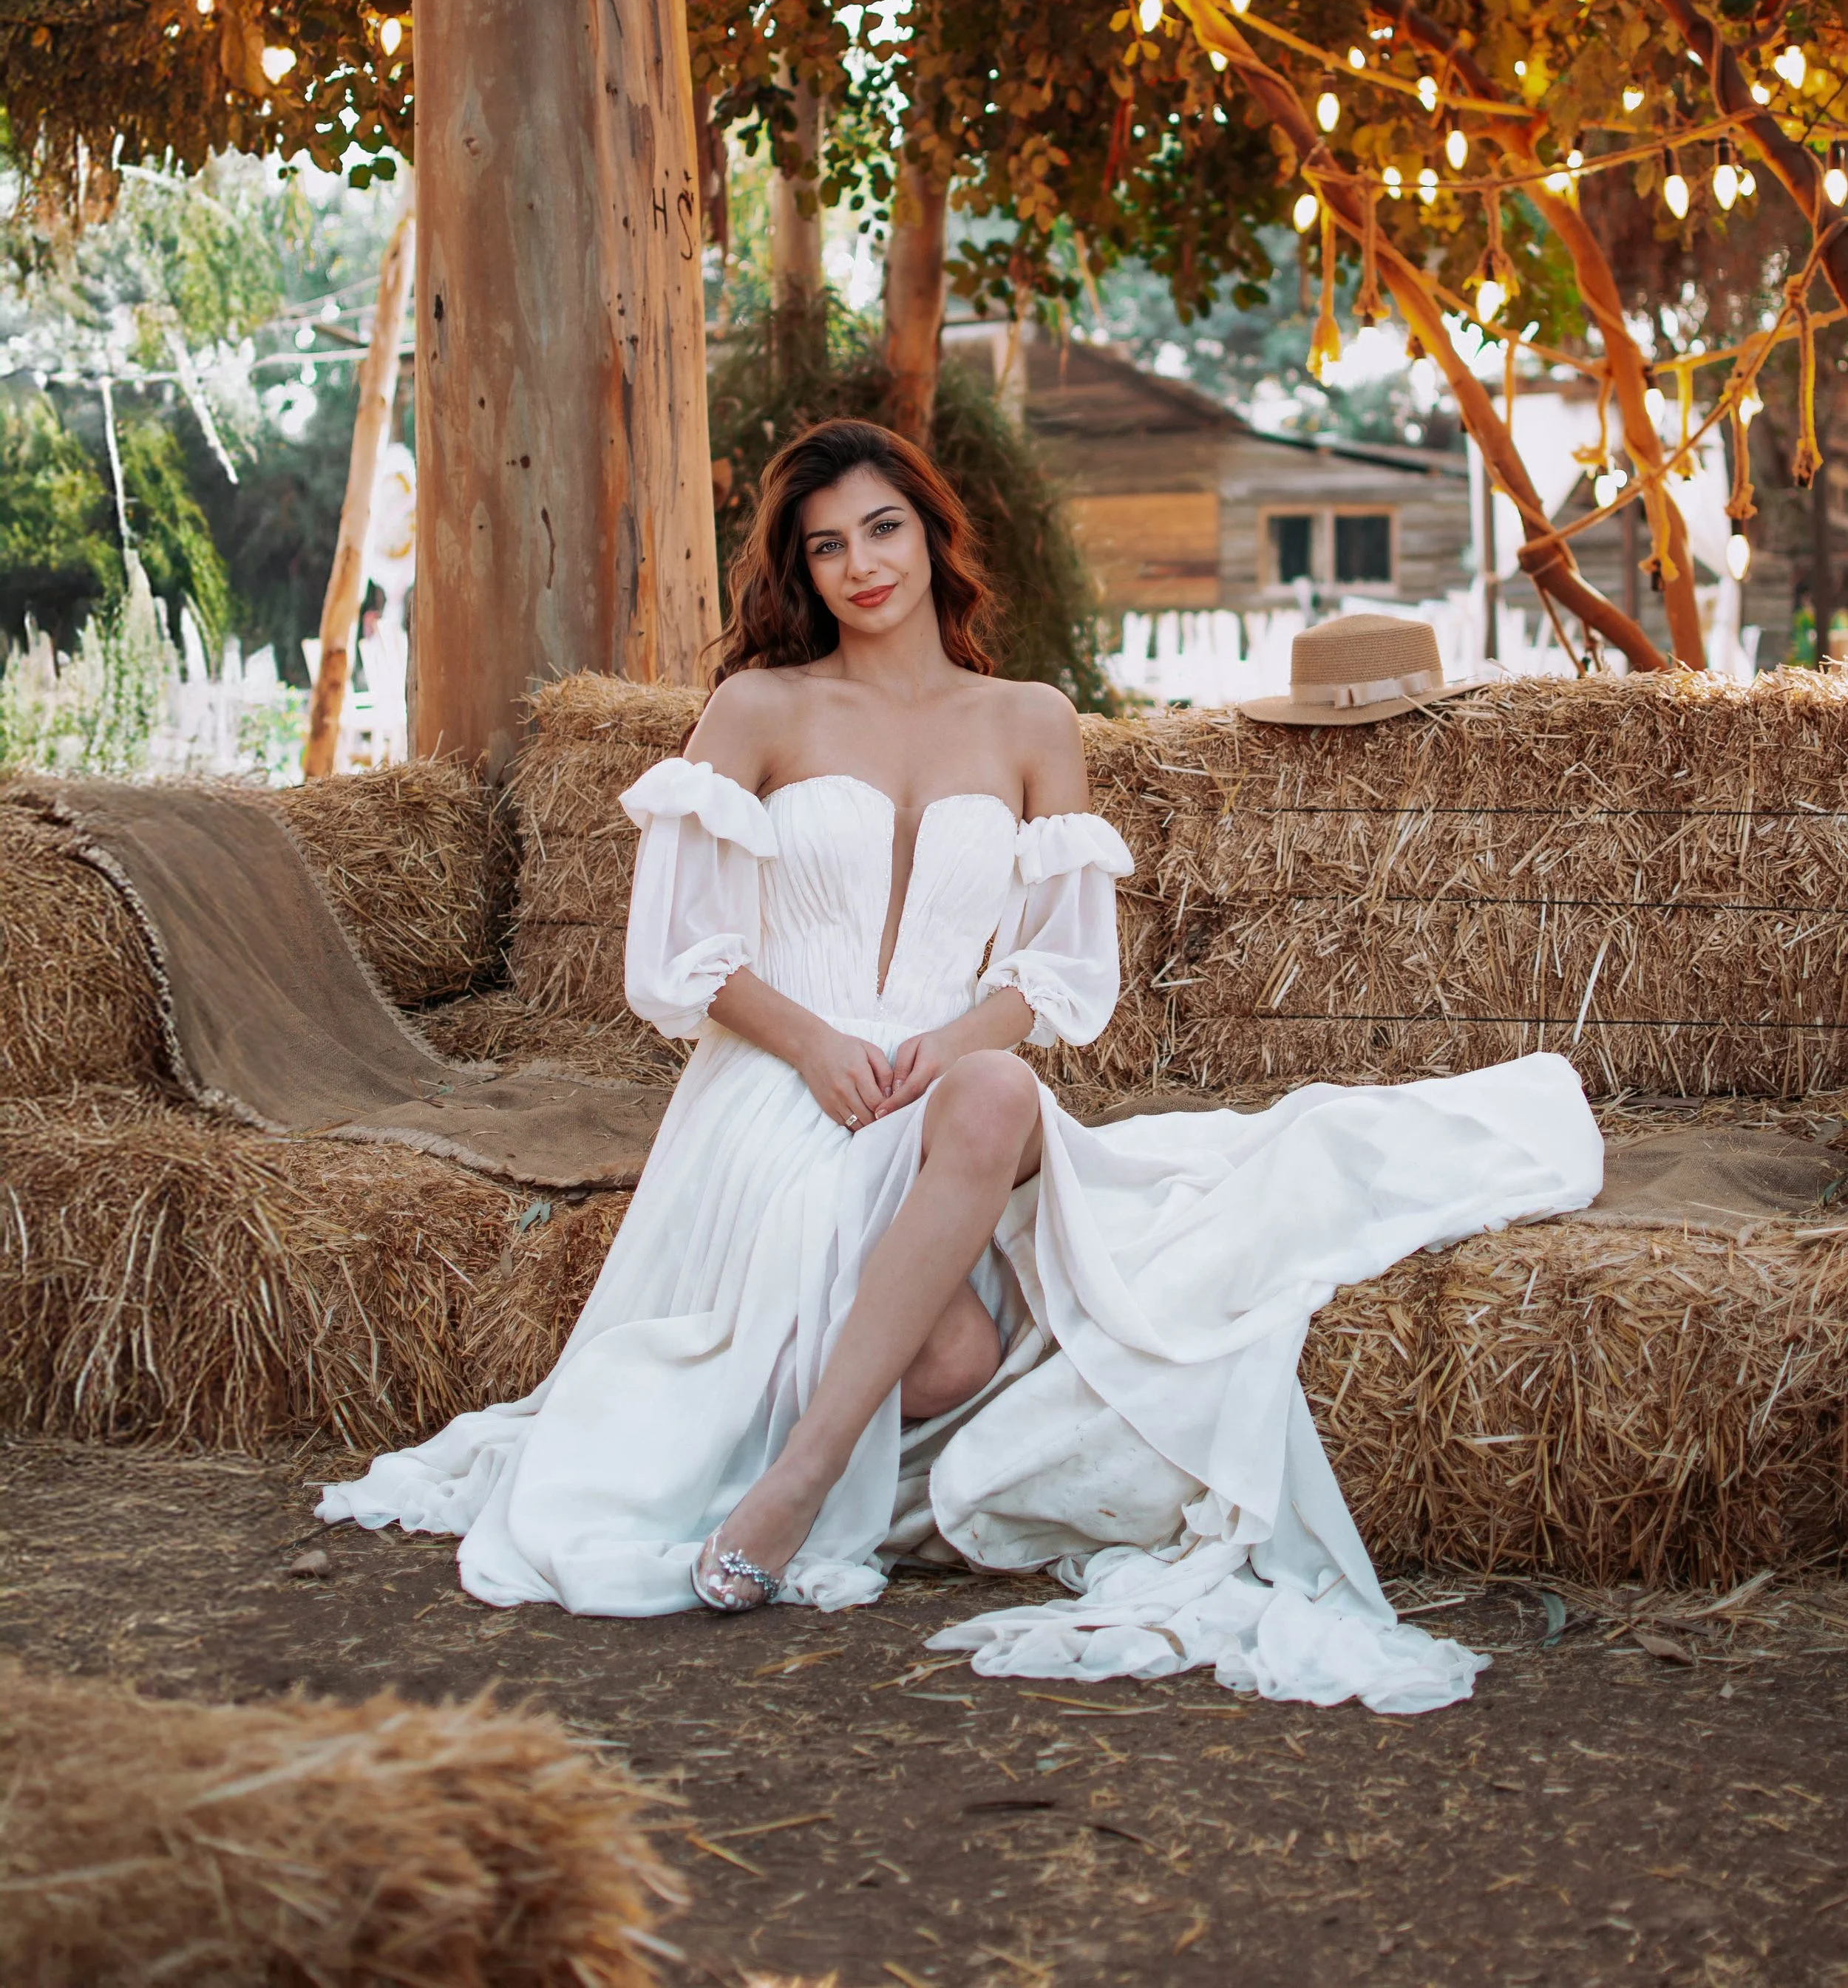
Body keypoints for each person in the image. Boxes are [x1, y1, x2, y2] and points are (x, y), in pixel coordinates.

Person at [319, 419, 1602, 1711]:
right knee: (943, 1364)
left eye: (884, 529)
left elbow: (1057, 972)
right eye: (828, 546)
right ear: (803, 570)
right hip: (785, 1079)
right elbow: (682, 955)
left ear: (933, 535)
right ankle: (865, 1421)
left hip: (953, 1081)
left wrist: (950, 1041)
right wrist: (816, 1044)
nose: (863, 566)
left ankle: (798, 1484)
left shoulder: (1031, 719)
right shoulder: (760, 707)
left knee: (996, 1088)